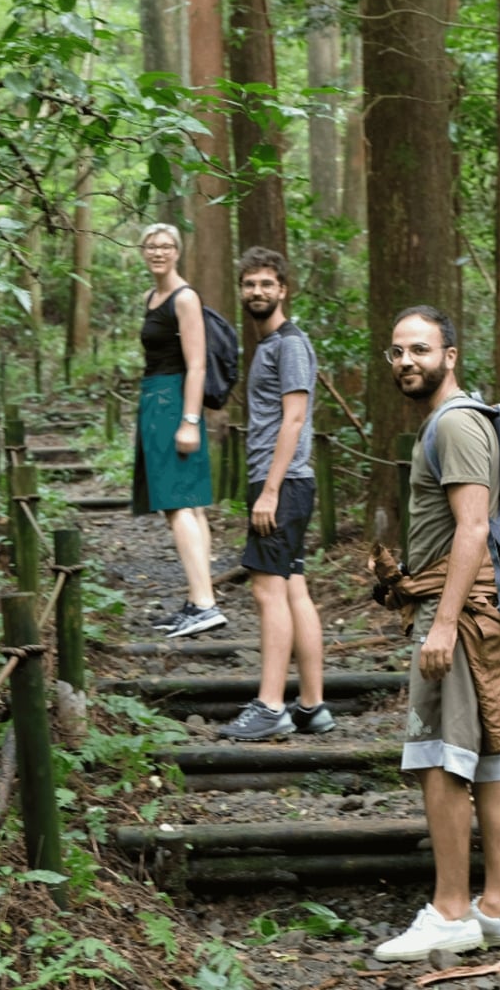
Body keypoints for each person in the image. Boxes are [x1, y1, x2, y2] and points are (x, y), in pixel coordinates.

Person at [367, 305, 500, 963]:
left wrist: (442, 623)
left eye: (419, 349)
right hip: (488, 607)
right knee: (491, 758)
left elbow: (472, 527)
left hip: (466, 610)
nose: (406, 361)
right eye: (396, 351)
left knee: (440, 757)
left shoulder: (454, 425)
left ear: (450, 355)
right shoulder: (458, 422)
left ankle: (452, 911)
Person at [217, 247, 334, 741]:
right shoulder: (268, 345)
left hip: (281, 483)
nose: (257, 292)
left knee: (267, 589)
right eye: (250, 284)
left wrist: (268, 491)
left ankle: (270, 707)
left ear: (283, 289)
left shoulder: (289, 345)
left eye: (267, 283)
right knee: (291, 587)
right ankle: (311, 705)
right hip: (285, 483)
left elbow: (295, 418)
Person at [131, 223, 226, 639]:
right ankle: (199, 599)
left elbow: (198, 364)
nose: (158, 252)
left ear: (178, 251)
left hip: (173, 402)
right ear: (142, 252)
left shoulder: (185, 298)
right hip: (156, 400)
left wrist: (189, 420)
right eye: (151, 246)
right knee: (191, 504)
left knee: (177, 505)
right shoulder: (152, 297)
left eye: (166, 246)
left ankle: (204, 603)